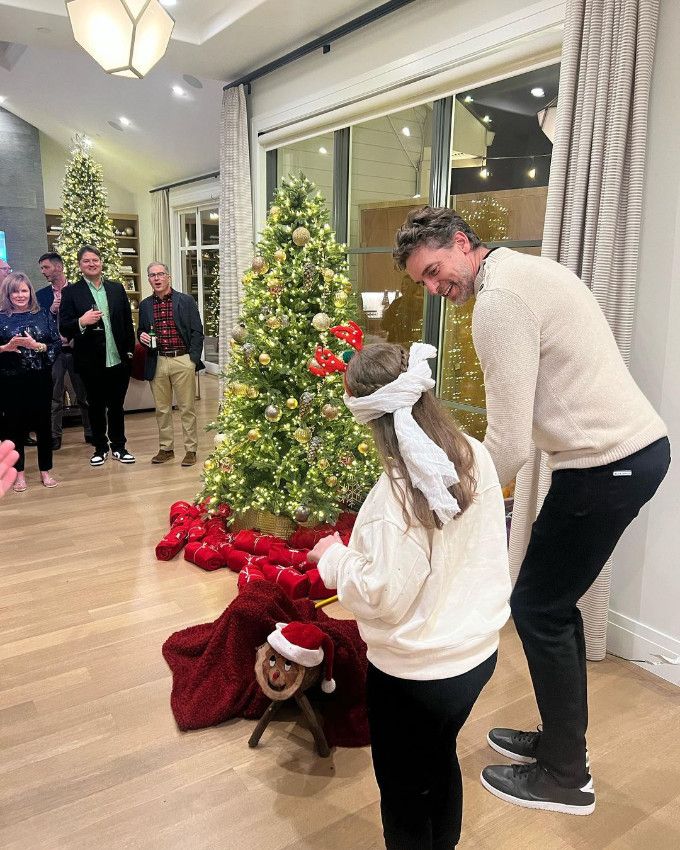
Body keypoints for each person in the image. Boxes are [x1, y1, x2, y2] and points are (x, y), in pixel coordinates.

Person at [394, 206, 671, 815]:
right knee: (550, 605)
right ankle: (563, 744)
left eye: (437, 272)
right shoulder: (519, 271)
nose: (438, 290)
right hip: (619, 457)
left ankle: (567, 776)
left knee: (537, 608)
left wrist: (453, 502)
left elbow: (512, 443)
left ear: (464, 245)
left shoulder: (499, 302)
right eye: (425, 284)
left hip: (609, 463)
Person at [308, 341, 511, 850]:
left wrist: (333, 558)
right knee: (439, 759)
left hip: (416, 675)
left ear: (363, 411)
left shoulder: (395, 494)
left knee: (401, 789)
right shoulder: (474, 454)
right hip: (477, 656)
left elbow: (381, 596)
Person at [59, 245, 136, 466]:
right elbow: (64, 327)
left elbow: (126, 324)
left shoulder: (116, 288)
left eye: (95, 260)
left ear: (101, 263)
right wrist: (81, 322)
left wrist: (129, 353)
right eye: (86, 261)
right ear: (80, 265)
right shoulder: (71, 292)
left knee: (117, 406)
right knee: (95, 406)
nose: (91, 264)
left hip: (119, 360)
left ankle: (119, 446)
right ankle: (100, 447)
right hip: (90, 362)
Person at [137, 262, 204, 467]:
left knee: (187, 408)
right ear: (149, 279)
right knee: (162, 409)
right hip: (157, 361)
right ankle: (166, 449)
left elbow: (197, 332)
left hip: (182, 360)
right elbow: (140, 330)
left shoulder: (185, 300)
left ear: (168, 277)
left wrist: (191, 360)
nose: (156, 278)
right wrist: (142, 337)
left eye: (160, 274)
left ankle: (191, 450)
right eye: (152, 275)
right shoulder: (145, 305)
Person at [0, 272, 61, 491]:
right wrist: (6, 348)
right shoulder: (1, 317)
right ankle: (19, 475)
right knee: (14, 428)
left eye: (24, 290)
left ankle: (46, 470)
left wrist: (38, 346)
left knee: (43, 426)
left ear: (30, 292)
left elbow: (55, 344)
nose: (20, 295)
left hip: (39, 378)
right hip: (10, 381)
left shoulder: (42, 315)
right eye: (15, 291)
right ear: (8, 293)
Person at [37, 252, 92, 449]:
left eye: (46, 267)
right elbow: (38, 325)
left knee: (84, 395)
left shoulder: (78, 290)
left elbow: (88, 319)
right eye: (42, 268)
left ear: (58, 267)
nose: (43, 272)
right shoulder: (41, 296)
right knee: (54, 396)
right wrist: (51, 310)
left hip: (77, 351)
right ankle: (54, 436)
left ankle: (90, 432)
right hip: (55, 353)